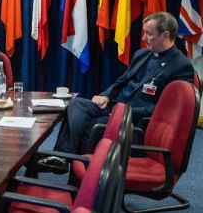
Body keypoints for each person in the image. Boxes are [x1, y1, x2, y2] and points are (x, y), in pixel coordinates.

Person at [40, 12, 194, 171]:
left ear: (165, 35)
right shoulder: (142, 55)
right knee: (76, 105)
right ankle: (61, 157)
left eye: (148, 34)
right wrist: (105, 95)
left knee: (91, 126)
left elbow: (165, 111)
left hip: (133, 119)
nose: (143, 38)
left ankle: (83, 177)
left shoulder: (180, 66)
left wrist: (123, 112)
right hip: (114, 106)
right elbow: (122, 81)